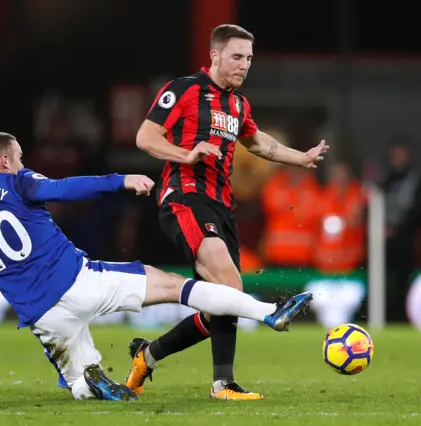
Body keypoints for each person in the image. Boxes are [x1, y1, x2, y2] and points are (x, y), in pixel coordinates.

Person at [0, 132, 313, 401]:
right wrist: (120, 180)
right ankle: (269, 313)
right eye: (21, 156)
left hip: (41, 317)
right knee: (174, 286)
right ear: (8, 158)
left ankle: (91, 382)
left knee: (76, 381)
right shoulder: (17, 180)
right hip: (78, 281)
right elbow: (64, 189)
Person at [130, 24, 329, 400]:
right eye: (237, 56)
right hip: (185, 197)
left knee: (222, 300)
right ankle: (265, 322)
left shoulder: (238, 104)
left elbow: (258, 142)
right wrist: (186, 154)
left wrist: (299, 158)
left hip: (222, 205)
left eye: (249, 58)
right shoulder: (184, 90)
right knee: (229, 283)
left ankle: (150, 355)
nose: (244, 65)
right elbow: (146, 137)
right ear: (215, 55)